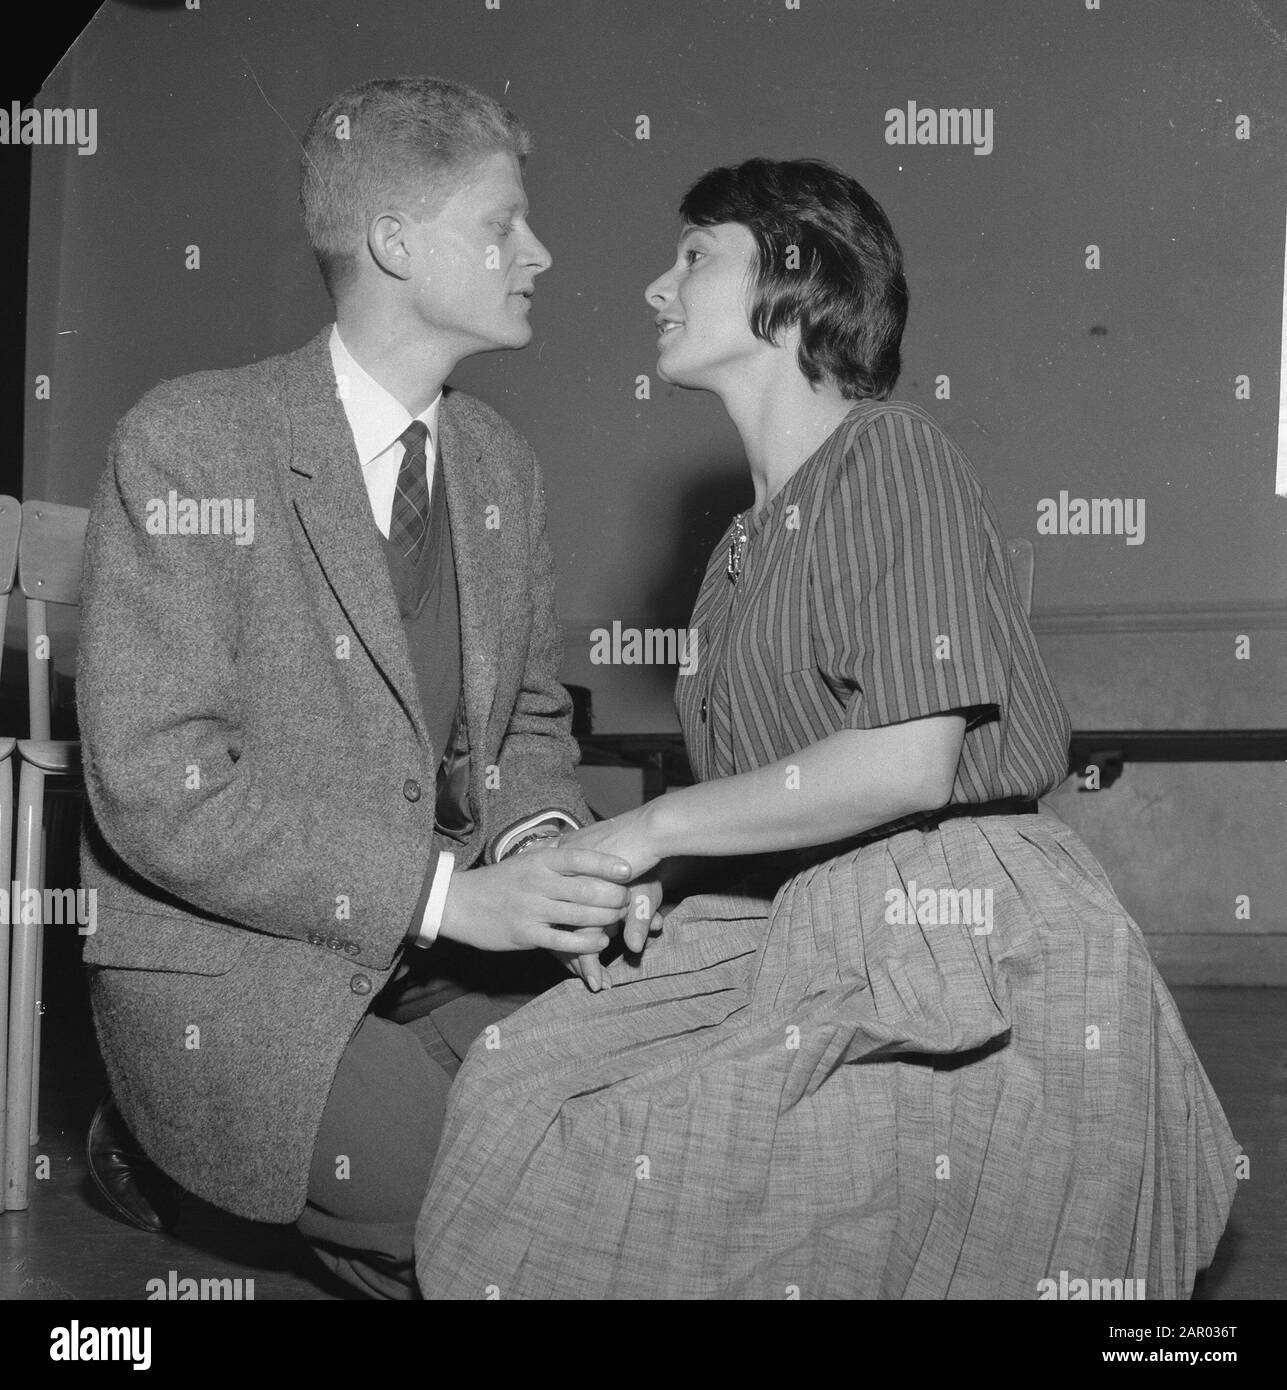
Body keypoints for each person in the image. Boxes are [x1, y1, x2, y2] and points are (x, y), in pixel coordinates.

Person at [415, 157, 1241, 1300]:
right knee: (522, 1082)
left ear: (797, 280)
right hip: (799, 911)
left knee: (741, 1184)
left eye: (694, 256)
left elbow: (907, 763)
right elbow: (788, 797)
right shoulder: (737, 555)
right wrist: (677, 864)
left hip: (959, 918)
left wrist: (652, 830)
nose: (658, 288)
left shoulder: (891, 453)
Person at [77, 76, 643, 1300]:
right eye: (504, 226)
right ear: (395, 242)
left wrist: (549, 848)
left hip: (456, 963)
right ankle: (156, 1146)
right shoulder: (188, 443)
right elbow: (156, 790)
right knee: (524, 1226)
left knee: (643, 1159)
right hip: (255, 985)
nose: (539, 254)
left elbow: (527, 728)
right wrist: (453, 894)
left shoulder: (501, 464)